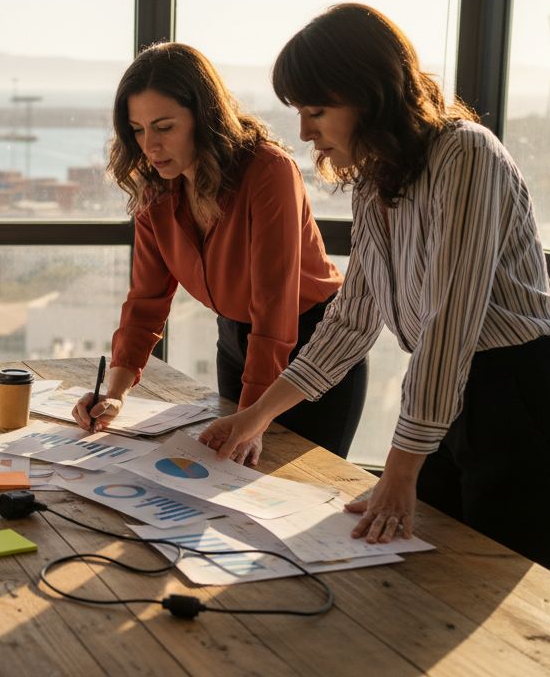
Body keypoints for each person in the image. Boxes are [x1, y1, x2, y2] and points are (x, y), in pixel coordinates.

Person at [199, 4, 550, 579]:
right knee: (429, 591)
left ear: (370, 94)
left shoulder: (466, 154)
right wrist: (254, 416)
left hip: (522, 403)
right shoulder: (374, 182)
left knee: (511, 619)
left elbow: (449, 325)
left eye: (317, 110)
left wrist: (400, 469)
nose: (306, 131)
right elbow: (350, 322)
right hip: (450, 409)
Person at [72, 42, 368, 462]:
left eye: (164, 126)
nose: (150, 146)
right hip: (235, 338)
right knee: (230, 482)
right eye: (138, 130)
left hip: (311, 344)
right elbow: (146, 303)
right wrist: (114, 395)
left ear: (203, 117)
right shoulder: (155, 187)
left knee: (293, 491)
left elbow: (274, 307)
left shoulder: (268, 171)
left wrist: (253, 416)